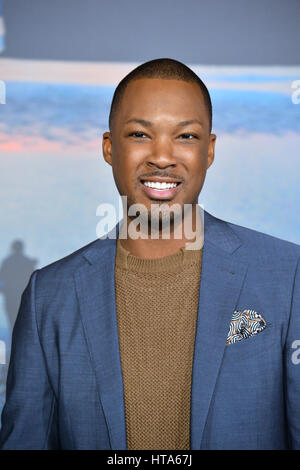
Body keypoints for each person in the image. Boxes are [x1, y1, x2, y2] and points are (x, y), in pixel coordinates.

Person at [0, 58, 299, 450]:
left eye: (186, 137)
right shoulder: (49, 297)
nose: (162, 156)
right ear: (109, 147)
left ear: (209, 150)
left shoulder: (287, 274)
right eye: (140, 134)